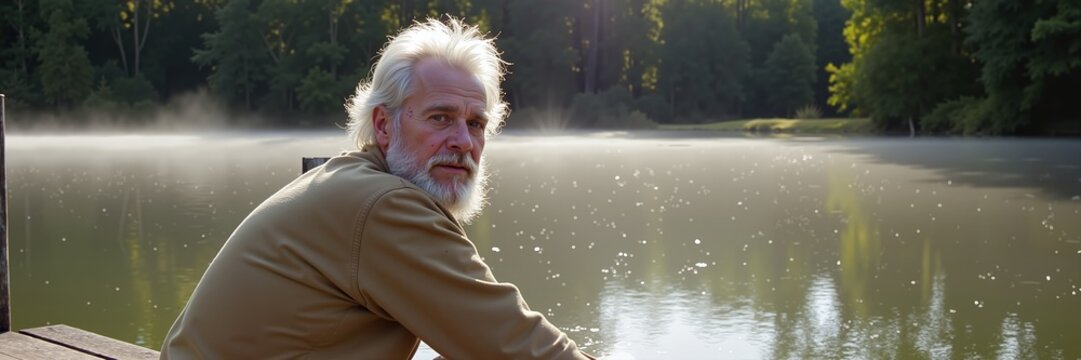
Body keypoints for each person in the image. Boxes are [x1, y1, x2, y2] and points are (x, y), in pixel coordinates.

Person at [160, 18, 595, 359]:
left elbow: (479, 333)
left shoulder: (351, 181)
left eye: (476, 123)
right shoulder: (383, 207)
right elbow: (514, 342)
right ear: (384, 125)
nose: (463, 141)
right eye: (440, 117)